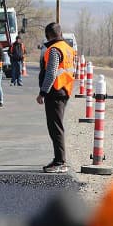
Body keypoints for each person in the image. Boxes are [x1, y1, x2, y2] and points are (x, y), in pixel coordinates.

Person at [36, 22, 76, 173]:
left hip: (55, 92)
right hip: (65, 91)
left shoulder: (54, 50)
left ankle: (60, 162)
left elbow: (51, 73)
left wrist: (42, 93)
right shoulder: (68, 48)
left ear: (49, 35)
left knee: (55, 128)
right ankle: (58, 159)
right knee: (56, 126)